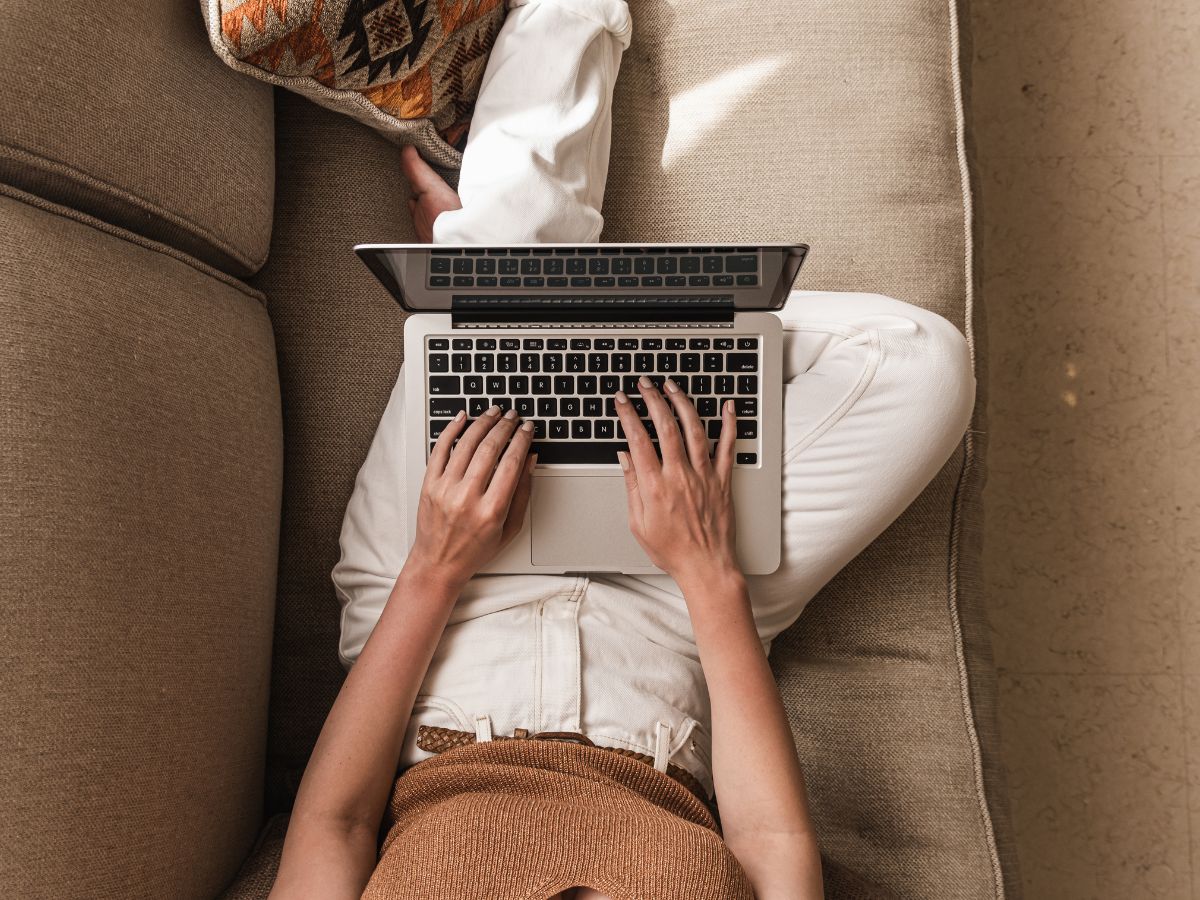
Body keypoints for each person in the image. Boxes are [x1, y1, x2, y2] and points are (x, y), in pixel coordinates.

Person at [269, 0, 977, 897]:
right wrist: (707, 567)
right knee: (918, 365)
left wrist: (436, 563)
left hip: (445, 615)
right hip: (676, 627)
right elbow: (769, 842)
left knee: (514, 259)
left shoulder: (438, 574)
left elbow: (335, 823)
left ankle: (497, 277)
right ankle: (498, 282)